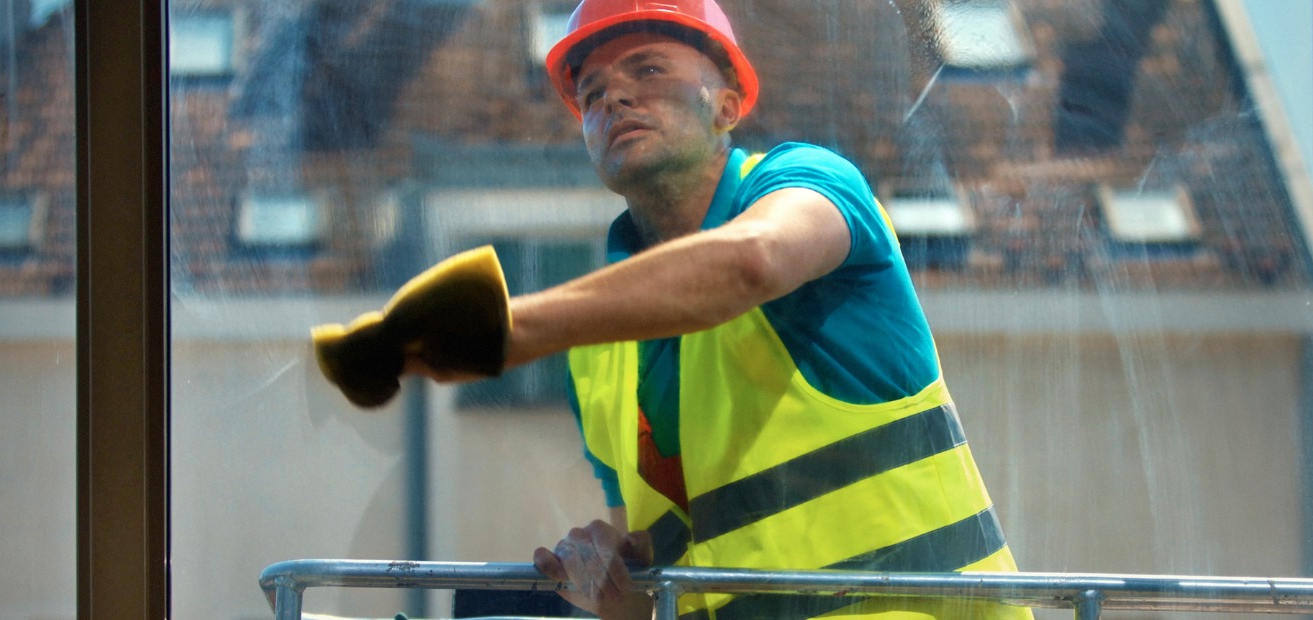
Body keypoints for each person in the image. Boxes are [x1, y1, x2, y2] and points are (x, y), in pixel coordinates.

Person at [402, 0, 1030, 617]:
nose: (614, 98)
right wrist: (608, 580)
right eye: (592, 94)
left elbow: (750, 261)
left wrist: (510, 330)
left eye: (648, 71)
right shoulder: (597, 352)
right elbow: (654, 590)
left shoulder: (810, 183)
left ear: (728, 103)